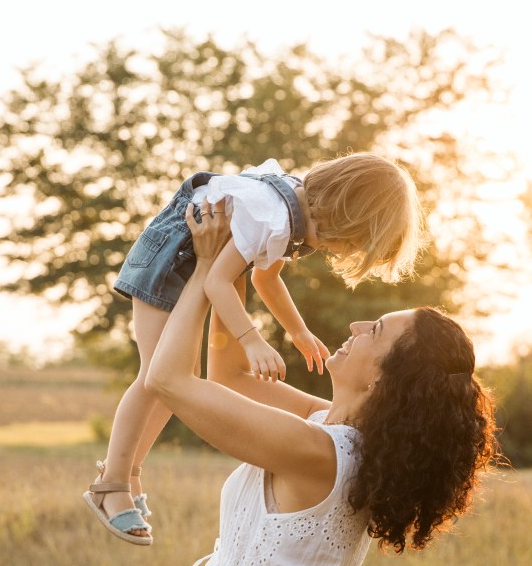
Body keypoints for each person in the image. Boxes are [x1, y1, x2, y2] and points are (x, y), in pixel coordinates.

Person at [144, 199, 500, 566]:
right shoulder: (333, 429)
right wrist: (237, 255)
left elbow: (167, 380)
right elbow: (230, 378)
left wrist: (207, 266)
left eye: (375, 330)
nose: (356, 324)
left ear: (384, 378)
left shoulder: (318, 452)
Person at [85, 153, 424, 544]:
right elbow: (216, 282)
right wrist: (252, 340)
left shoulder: (294, 218)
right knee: (153, 379)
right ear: (341, 211)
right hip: (171, 259)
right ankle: (111, 484)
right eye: (346, 242)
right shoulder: (270, 216)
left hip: (197, 260)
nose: (336, 252)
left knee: (168, 389)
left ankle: (129, 473)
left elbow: (265, 277)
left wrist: (297, 331)